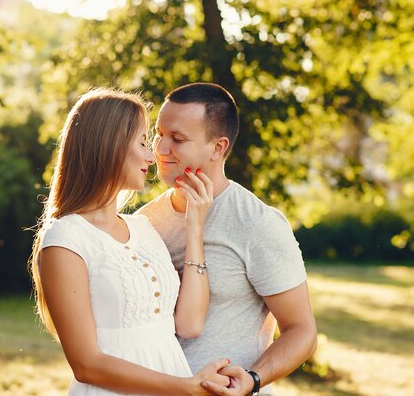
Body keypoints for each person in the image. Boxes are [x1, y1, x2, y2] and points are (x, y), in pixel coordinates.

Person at [30, 87, 241, 395]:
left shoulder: (143, 228)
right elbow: (86, 364)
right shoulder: (65, 238)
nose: (151, 156)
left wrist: (195, 227)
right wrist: (186, 387)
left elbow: (190, 323)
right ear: (108, 144)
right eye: (143, 142)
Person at [137, 83, 317, 396]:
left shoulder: (258, 223)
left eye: (177, 139)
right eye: (159, 133)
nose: (161, 148)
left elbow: (302, 331)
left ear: (218, 147)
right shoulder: (144, 221)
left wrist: (254, 378)